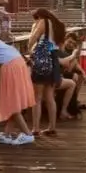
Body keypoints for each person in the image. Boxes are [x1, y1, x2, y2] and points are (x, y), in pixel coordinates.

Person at [28, 8, 76, 136]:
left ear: (39, 16)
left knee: (37, 97)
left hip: (42, 61)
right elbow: (58, 47)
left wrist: (29, 48)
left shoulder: (43, 21)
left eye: (36, 18)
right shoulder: (57, 26)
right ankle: (52, 127)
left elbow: (33, 38)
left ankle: (35, 128)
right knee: (49, 96)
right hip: (53, 60)